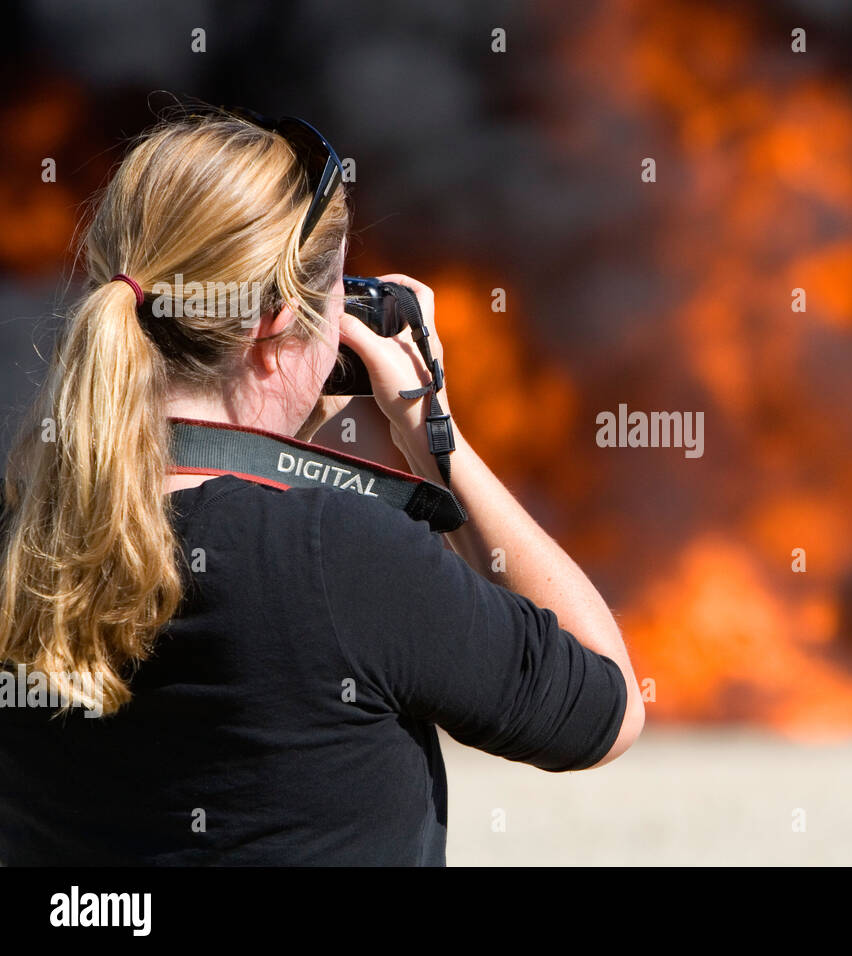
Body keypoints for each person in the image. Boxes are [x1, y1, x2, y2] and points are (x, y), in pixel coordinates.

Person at [0, 105, 643, 865]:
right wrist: (436, 441)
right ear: (275, 322)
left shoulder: (25, 546)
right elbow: (604, 710)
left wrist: (282, 433)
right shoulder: (337, 554)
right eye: (339, 290)